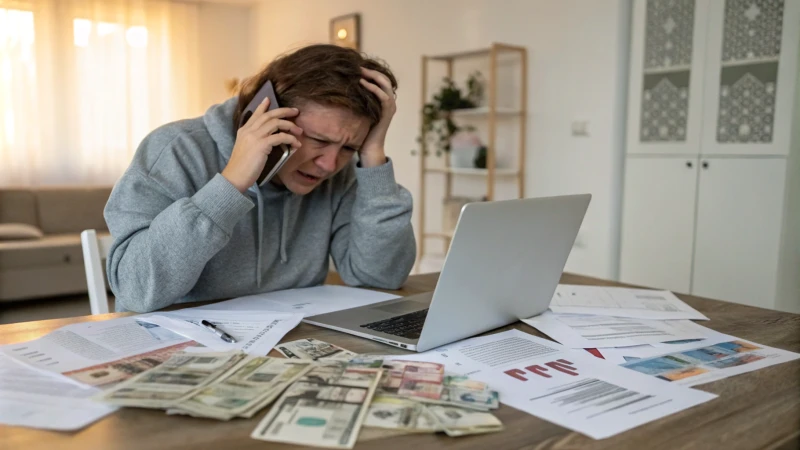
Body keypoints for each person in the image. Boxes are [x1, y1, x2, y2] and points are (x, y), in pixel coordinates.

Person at [104, 44, 416, 313]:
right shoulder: (176, 150)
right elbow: (135, 289)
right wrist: (230, 185)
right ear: (267, 114)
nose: (329, 164)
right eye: (318, 140)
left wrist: (373, 155)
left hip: (289, 347)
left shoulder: (342, 170)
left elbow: (380, 278)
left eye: (349, 146)